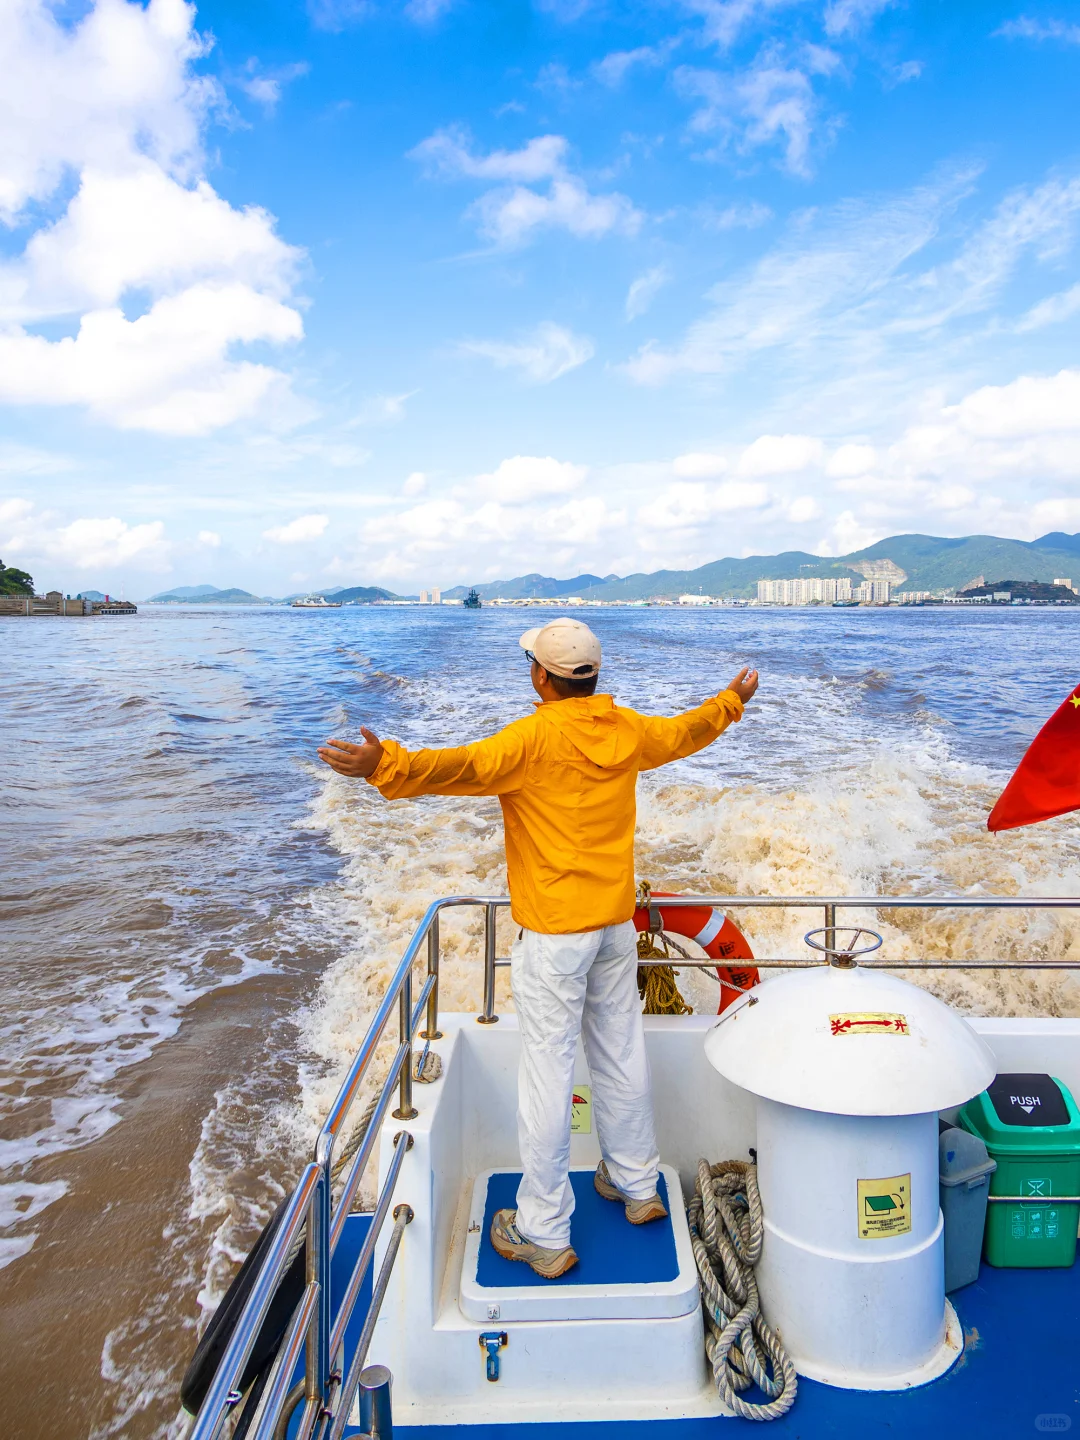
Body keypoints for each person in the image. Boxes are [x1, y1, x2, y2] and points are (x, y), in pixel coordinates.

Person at [318, 617, 758, 1280]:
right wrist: (730, 702)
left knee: (547, 1079)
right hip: (615, 928)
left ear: (540, 677)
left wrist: (381, 764)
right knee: (619, 1054)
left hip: (555, 937)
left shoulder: (530, 740)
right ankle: (637, 1188)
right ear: (591, 676)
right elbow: (686, 731)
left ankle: (544, 1231)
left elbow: (459, 767)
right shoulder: (628, 729)